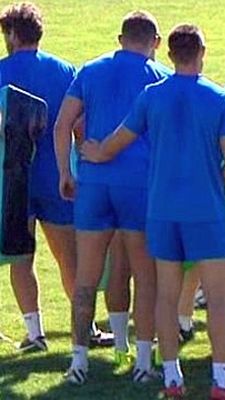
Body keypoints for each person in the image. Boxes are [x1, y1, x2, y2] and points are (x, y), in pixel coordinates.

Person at [81, 23, 225, 400]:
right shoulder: (219, 98)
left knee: (165, 295)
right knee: (218, 297)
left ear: (169, 54)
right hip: (204, 210)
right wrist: (212, 182)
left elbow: (116, 142)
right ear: (202, 51)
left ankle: (172, 379)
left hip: (161, 209)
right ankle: (221, 382)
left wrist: (95, 153)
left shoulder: (150, 96)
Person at [54, 10, 170, 385]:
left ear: (120, 39)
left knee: (86, 276)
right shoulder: (160, 78)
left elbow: (62, 124)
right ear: (155, 42)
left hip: (94, 184)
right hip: (139, 186)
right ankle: (141, 361)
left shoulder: (90, 70)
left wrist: (65, 172)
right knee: (145, 275)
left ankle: (78, 362)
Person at [0, 1, 113, 352]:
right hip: (58, 174)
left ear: (14, 34)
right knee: (71, 258)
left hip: (12, 180)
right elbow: (79, 125)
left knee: (21, 257)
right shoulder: (65, 71)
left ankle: (35, 334)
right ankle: (87, 329)